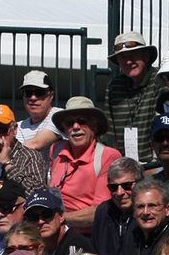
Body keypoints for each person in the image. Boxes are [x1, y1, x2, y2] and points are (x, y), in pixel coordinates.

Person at [47, 99, 119, 232]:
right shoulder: (56, 150)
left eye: (82, 121)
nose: (75, 127)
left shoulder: (108, 156)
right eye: (69, 123)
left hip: (89, 236)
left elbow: (98, 212)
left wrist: (57, 219)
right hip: (57, 232)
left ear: (95, 126)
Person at [106, 32, 165, 162]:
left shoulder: (159, 81)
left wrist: (155, 163)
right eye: (122, 58)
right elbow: (111, 133)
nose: (128, 61)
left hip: (153, 163)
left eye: (133, 55)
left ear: (146, 56)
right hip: (124, 164)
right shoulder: (114, 86)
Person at [0, 103, 49, 197]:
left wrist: (7, 164)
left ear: (14, 129)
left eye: (1, 130)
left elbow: (37, 195)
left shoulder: (30, 157)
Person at [90, 157, 144, 255]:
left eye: (126, 186)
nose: (119, 192)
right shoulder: (104, 211)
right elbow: (95, 253)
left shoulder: (146, 214)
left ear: (140, 183)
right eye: (113, 187)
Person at [25, 188, 92, 255]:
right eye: (33, 217)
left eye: (47, 214)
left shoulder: (76, 247)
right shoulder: (30, 246)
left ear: (61, 216)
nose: (40, 221)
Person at [16, 70, 64, 151]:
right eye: (28, 93)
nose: (33, 98)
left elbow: (36, 144)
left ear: (51, 96)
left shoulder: (59, 116)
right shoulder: (18, 126)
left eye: (39, 92)